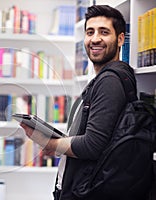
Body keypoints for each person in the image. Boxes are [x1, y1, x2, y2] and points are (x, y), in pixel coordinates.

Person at [20, 5, 140, 200]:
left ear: (120, 39)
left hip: (87, 191)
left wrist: (50, 143)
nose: (95, 39)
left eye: (104, 32)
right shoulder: (107, 78)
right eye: (89, 32)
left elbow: (92, 145)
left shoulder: (109, 81)